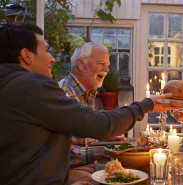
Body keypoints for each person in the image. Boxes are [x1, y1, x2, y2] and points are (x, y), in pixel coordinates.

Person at [0, 23, 172, 185]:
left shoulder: (9, 85)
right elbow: (99, 125)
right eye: (46, 50)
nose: (52, 58)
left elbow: (29, 154)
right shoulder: (32, 86)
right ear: (26, 55)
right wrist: (147, 105)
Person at [58, 42, 124, 184]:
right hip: (67, 171)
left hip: (85, 165)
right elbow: (56, 153)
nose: (106, 69)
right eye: (101, 63)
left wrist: (106, 136)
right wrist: (97, 151)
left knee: (129, 172)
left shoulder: (87, 92)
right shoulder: (65, 95)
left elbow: (80, 138)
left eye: (107, 64)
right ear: (81, 64)